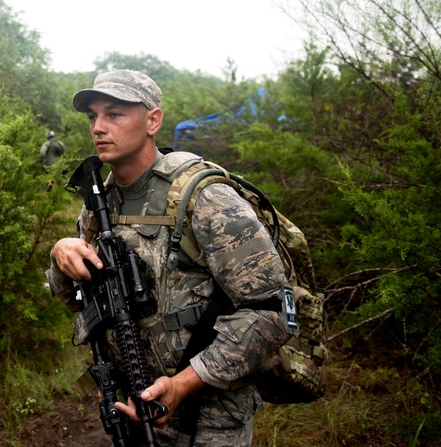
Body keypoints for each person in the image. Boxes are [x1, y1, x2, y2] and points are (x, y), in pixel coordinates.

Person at [45, 70, 289, 447]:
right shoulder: (98, 206)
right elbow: (76, 300)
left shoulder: (204, 198)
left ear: (153, 121)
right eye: (93, 116)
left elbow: (272, 313)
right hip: (131, 407)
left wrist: (182, 384)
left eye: (115, 114)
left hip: (207, 421)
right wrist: (61, 255)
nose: (98, 127)